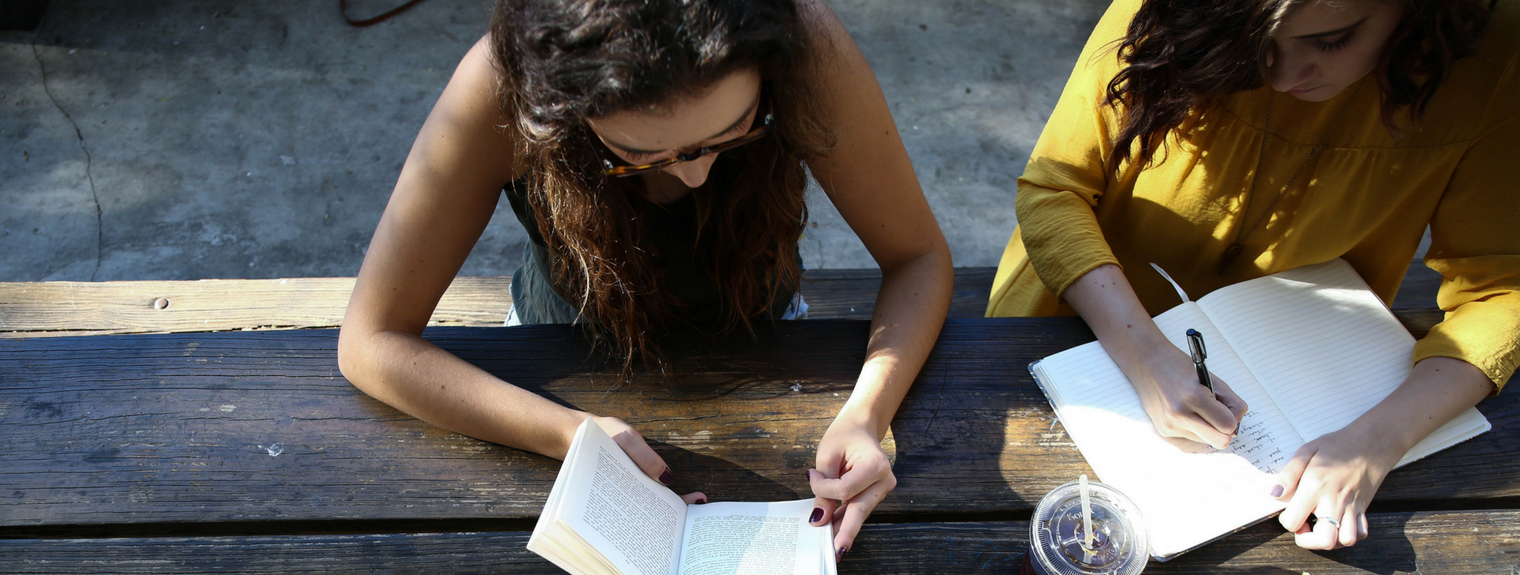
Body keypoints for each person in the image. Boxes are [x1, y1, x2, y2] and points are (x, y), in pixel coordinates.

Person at [337, 0, 953, 560]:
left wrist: (867, 415)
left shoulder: (805, 45)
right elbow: (371, 341)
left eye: (736, 129)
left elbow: (917, 257)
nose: (696, 176)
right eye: (641, 154)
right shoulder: (503, 86)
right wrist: (573, 435)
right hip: (555, 355)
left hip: (765, 335)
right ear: (560, 108)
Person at [990, 0, 1516, 552]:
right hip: (1072, 319)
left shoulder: (1495, 56)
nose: (1284, 76)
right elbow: (1056, 190)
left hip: (1317, 381)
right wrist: (1145, 355)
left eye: (1332, 40)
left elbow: (1504, 290)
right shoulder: (1170, 11)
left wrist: (1377, 440)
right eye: (1258, 42)